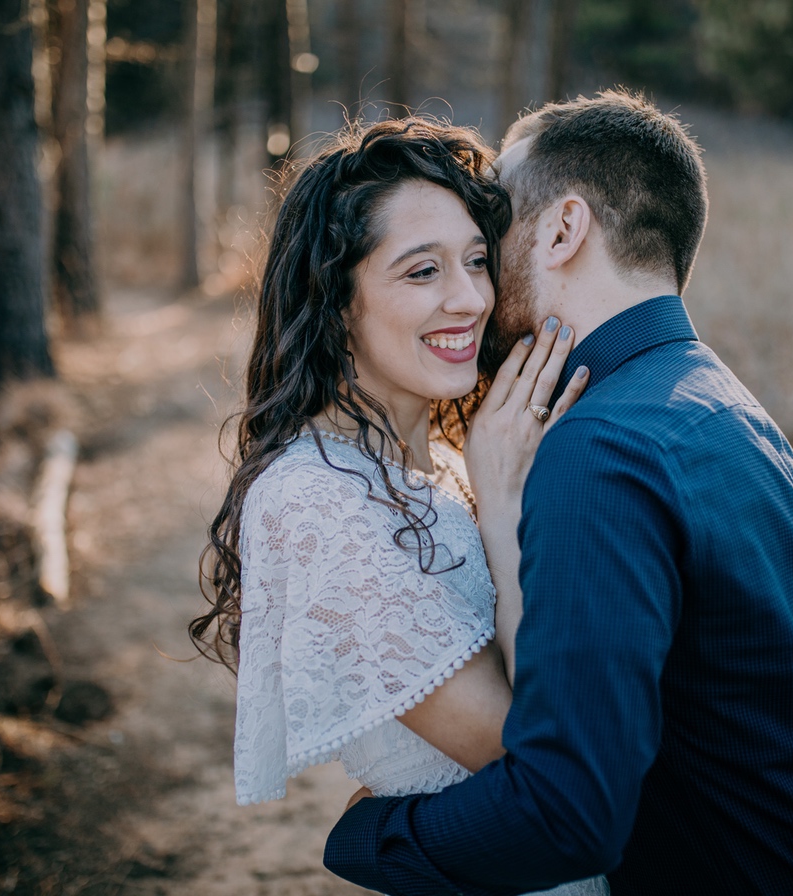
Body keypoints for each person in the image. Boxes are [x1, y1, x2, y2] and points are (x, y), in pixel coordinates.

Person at [324, 90, 793, 895]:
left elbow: (569, 814)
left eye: (495, 222)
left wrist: (366, 840)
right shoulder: (720, 402)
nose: (480, 269)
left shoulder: (599, 452)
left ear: (563, 229)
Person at [190, 118, 603, 895]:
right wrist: (507, 504)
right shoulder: (314, 499)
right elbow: (530, 753)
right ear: (337, 299)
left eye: (477, 261)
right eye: (422, 273)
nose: (470, 298)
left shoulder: (447, 461)